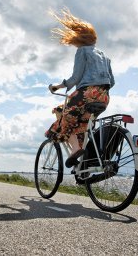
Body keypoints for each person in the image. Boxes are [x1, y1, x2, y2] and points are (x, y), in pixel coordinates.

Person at [45, 9, 115, 168]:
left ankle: (76, 150)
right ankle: (83, 165)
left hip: (86, 94)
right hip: (104, 97)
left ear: (79, 37)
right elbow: (112, 81)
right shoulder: (105, 56)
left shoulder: (82, 51)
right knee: (82, 125)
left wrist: (57, 86)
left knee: (64, 117)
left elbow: (75, 78)